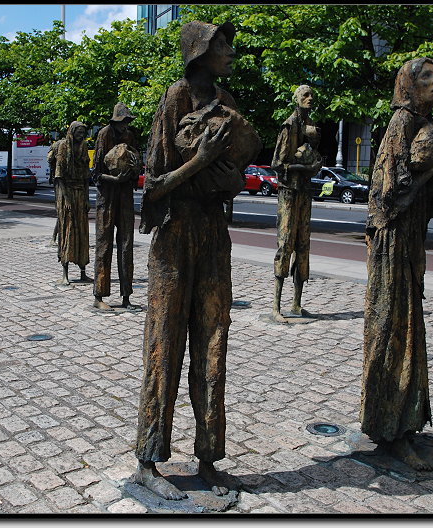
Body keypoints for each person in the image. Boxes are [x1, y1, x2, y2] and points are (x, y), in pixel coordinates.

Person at [134, 20, 260, 500]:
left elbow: (239, 169)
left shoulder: (227, 102)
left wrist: (229, 174)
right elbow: (154, 185)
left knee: (212, 341)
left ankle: (208, 457)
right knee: (164, 344)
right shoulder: (174, 99)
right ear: (200, 51)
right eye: (222, 44)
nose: (230, 50)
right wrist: (200, 161)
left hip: (212, 234)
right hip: (174, 236)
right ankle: (148, 459)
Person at [360, 58, 433, 470]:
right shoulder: (401, 124)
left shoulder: (423, 125)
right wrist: (432, 164)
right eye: (425, 77)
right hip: (392, 244)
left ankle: (405, 423)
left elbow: (421, 198)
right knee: (391, 329)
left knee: (408, 327)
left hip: (409, 241)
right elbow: (389, 197)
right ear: (409, 85)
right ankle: (389, 429)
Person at [270, 85, 322, 323]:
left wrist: (313, 165)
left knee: (303, 244)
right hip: (289, 193)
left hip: (304, 192)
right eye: (305, 96)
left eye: (311, 96)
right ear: (296, 100)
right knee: (285, 243)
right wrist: (304, 168)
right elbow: (277, 164)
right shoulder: (288, 126)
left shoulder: (309, 126)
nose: (309, 99)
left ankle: (297, 304)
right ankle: (276, 307)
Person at [91, 103, 141, 311]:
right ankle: (99, 295)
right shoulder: (104, 134)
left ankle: (126, 295)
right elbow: (95, 173)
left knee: (126, 243)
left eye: (127, 122)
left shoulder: (130, 136)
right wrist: (113, 178)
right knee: (104, 244)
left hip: (125, 195)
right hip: (107, 196)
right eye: (123, 122)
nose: (125, 126)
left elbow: (135, 164)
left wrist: (130, 174)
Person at [54, 121, 93, 285]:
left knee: (82, 232)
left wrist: (86, 198)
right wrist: (67, 200)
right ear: (72, 131)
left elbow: (85, 176)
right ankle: (65, 273)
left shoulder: (83, 146)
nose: (81, 135)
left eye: (83, 132)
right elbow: (59, 177)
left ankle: (83, 270)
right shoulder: (63, 146)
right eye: (79, 132)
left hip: (80, 194)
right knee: (68, 231)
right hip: (67, 194)